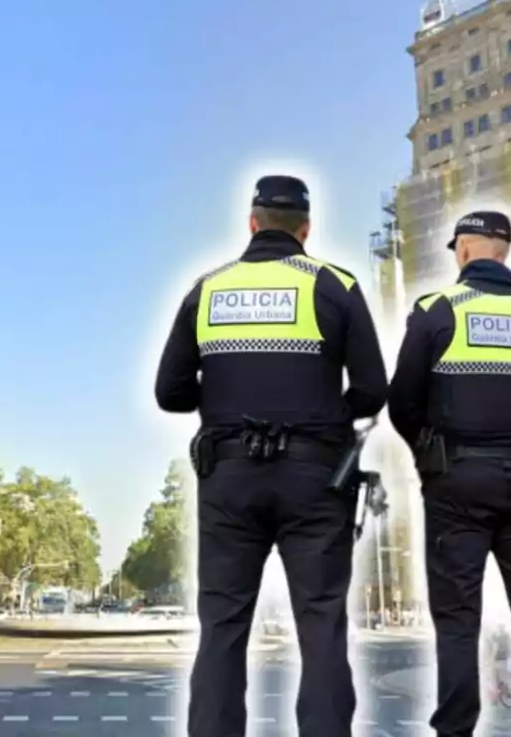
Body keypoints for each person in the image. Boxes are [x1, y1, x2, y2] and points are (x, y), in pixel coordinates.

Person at [154, 175, 388, 737]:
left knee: (223, 630)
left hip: (229, 477)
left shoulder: (208, 289)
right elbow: (373, 390)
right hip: (316, 479)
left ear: (252, 222)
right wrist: (326, 414)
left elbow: (170, 393)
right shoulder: (335, 285)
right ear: (305, 230)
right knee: (322, 626)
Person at [387, 210, 511, 737]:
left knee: (458, 618)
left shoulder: (437, 310)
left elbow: (403, 400)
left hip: (459, 481)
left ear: (466, 249)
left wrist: (432, 456)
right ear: (505, 251)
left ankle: (456, 730)